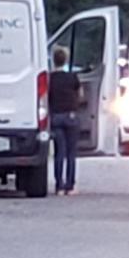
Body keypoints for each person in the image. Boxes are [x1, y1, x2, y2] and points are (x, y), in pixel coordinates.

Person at [48, 47, 83, 195]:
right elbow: (81, 95)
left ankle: (59, 185)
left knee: (59, 152)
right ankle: (70, 185)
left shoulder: (50, 79)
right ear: (66, 60)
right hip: (71, 116)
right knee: (71, 153)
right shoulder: (73, 77)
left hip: (56, 116)